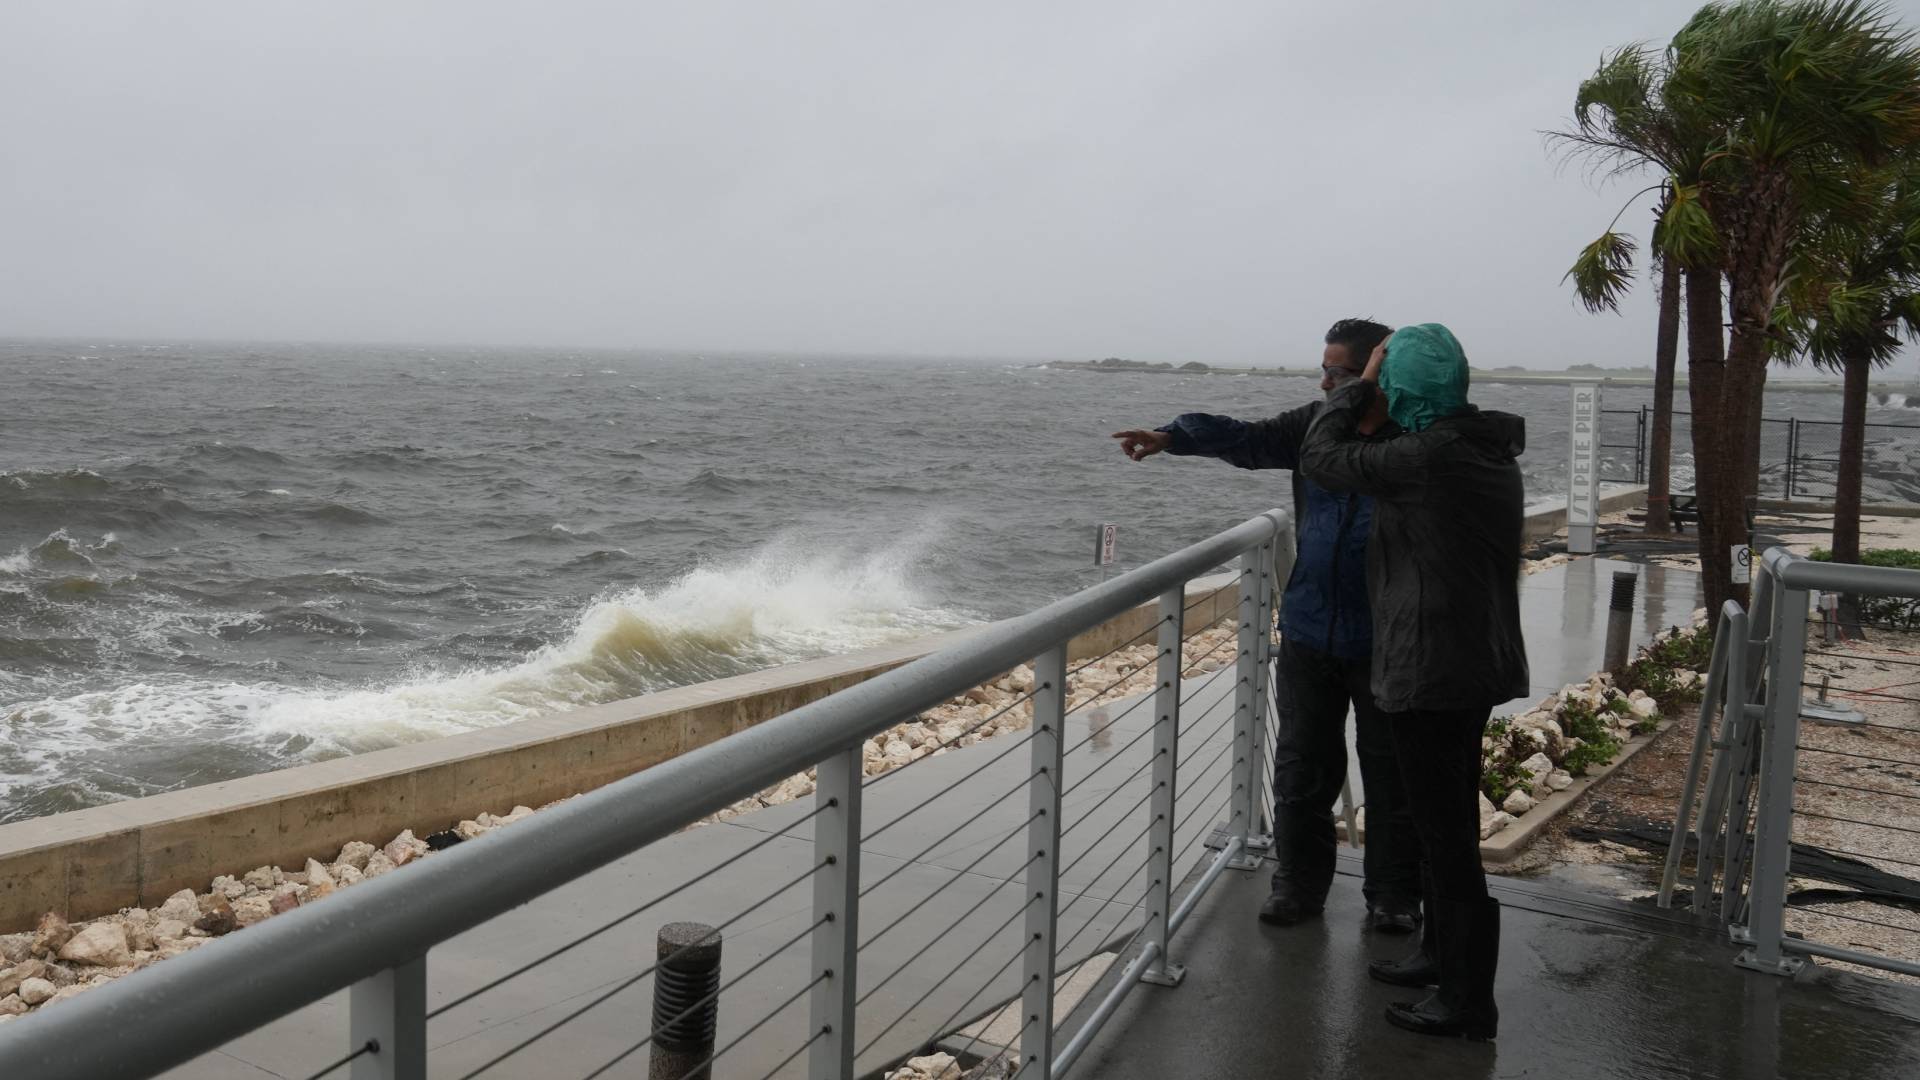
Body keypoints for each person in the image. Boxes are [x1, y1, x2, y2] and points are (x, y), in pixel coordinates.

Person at [1111, 318, 1423, 935]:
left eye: (1337, 372)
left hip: (1389, 636)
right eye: (1324, 370)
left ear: (1375, 373)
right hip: (1310, 627)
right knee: (1302, 769)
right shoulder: (1315, 426)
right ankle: (1297, 886)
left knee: (1392, 772)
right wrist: (1173, 436)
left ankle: (1394, 896)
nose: (1325, 382)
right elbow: (1248, 439)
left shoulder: (1417, 439)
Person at [1298, 322, 1528, 1041]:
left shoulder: (1431, 456)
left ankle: (1466, 1000)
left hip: (1434, 666)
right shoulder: (1472, 444)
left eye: (1388, 377)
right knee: (1440, 822)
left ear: (1406, 387)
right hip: (1463, 659)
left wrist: (1358, 386)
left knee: (1446, 831)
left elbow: (1321, 457)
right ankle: (1441, 956)